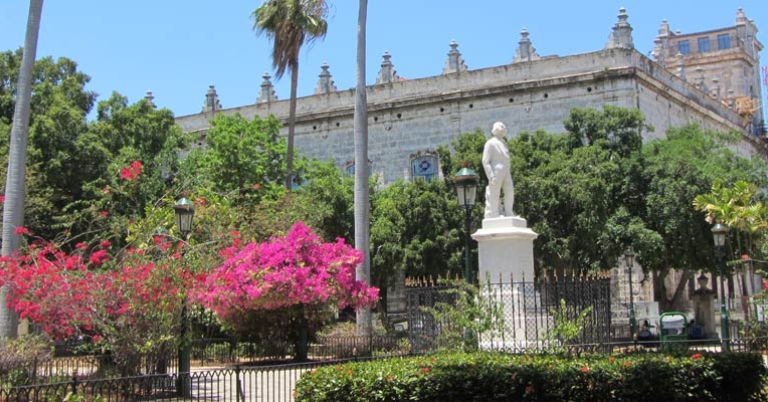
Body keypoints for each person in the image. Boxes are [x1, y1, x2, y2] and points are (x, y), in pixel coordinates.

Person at [482, 122, 515, 218]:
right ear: (496, 128)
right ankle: (494, 213)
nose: (505, 128)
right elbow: (485, 161)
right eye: (502, 126)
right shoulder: (490, 143)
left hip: (506, 171)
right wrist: (491, 176)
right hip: (496, 171)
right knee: (495, 193)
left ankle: (509, 211)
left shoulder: (504, 143)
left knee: (509, 190)